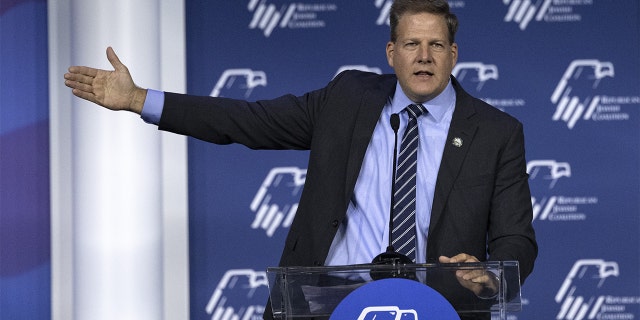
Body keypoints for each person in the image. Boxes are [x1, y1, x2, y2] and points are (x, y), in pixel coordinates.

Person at [65, 0, 537, 318]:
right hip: (327, 303)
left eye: (436, 45)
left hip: (434, 307)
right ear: (391, 53)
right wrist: (140, 99)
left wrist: (491, 274)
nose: (424, 56)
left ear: (453, 55)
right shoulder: (347, 98)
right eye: (412, 44)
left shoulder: (496, 132)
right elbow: (248, 119)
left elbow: (517, 238)